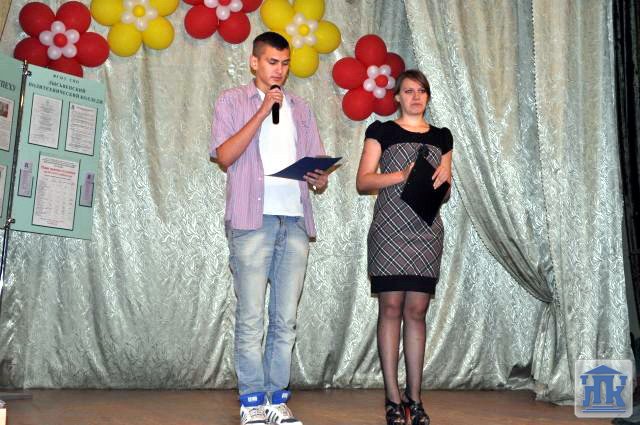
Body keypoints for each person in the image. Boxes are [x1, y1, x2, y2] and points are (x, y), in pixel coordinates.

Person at [210, 31, 328, 425]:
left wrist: (319, 178)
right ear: (254, 62)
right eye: (273, 62)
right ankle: (251, 402)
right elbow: (224, 155)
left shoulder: (301, 108)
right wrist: (262, 112)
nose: (280, 70)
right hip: (251, 221)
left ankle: (276, 400)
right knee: (251, 318)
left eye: (285, 63)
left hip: (293, 220)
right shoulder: (231, 101)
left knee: (285, 319)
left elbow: (317, 167)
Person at [356, 69, 453, 425]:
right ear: (397, 96)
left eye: (421, 91)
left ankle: (416, 398)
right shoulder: (381, 130)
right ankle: (393, 399)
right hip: (389, 231)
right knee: (391, 308)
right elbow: (363, 181)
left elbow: (445, 191)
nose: (415, 97)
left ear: (428, 96)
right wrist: (402, 175)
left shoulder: (442, 136)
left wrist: (443, 183)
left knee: (417, 312)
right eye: (408, 91)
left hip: (426, 232)